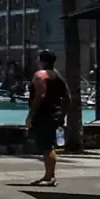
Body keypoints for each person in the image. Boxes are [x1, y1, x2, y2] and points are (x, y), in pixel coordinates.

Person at [27, 50, 73, 187]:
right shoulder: (58, 76)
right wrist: (62, 115)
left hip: (43, 115)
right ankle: (48, 175)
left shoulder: (40, 75)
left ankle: (50, 177)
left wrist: (31, 114)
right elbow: (68, 98)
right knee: (47, 145)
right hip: (54, 114)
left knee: (47, 146)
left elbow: (40, 95)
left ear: (41, 61)